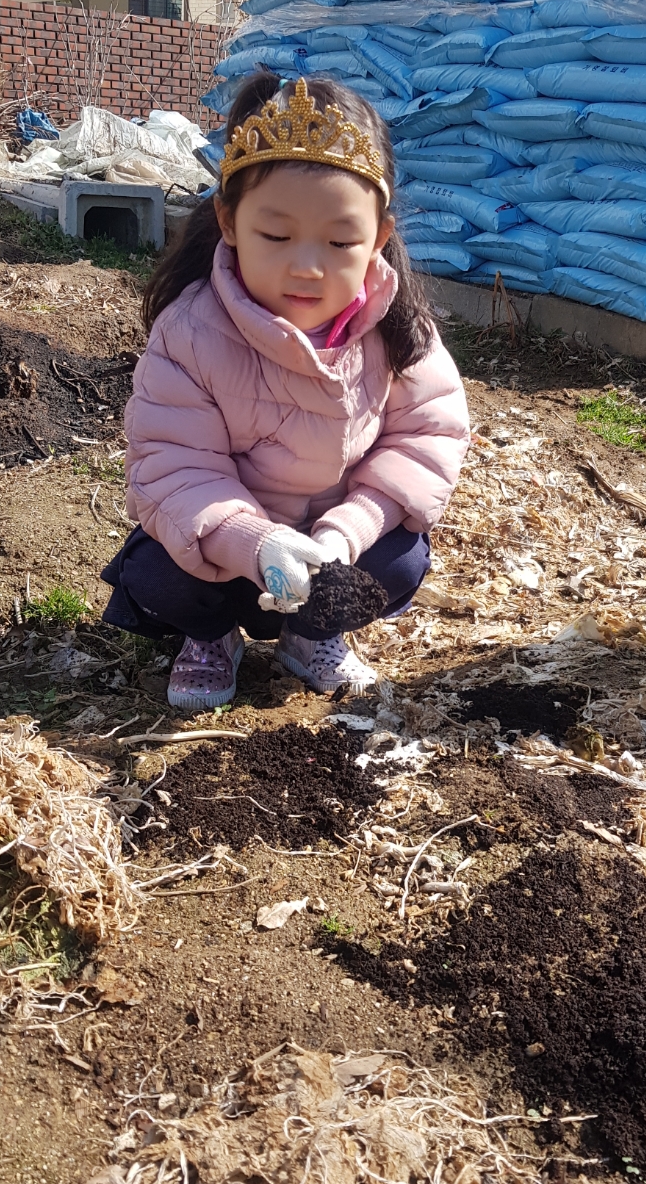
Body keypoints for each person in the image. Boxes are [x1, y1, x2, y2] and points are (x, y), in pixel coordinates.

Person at [101, 73, 469, 710]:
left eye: (341, 242)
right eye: (276, 236)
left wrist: (345, 534)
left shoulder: (400, 331)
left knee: (402, 558)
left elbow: (425, 438)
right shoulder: (191, 332)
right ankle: (210, 637)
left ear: (379, 239)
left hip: (329, 552)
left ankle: (311, 636)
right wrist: (255, 542)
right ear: (229, 222)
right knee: (160, 573)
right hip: (225, 557)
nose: (307, 267)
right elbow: (175, 465)